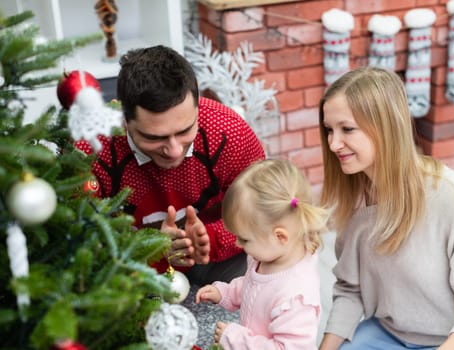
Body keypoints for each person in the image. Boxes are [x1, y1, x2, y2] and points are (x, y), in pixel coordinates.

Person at [318, 66, 454, 350]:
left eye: (347, 129)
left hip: (450, 342)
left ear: (386, 126)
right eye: (329, 130)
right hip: (383, 335)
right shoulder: (355, 200)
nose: (333, 143)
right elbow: (349, 290)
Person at [76, 45, 265, 285]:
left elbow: (263, 210)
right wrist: (147, 249)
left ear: (198, 105)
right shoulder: (91, 149)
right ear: (124, 120)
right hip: (129, 272)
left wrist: (210, 240)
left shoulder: (228, 131)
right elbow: (77, 239)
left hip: (218, 261)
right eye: (154, 137)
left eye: (186, 131)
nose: (174, 150)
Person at [195, 159, 329, 349]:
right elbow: (253, 285)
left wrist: (236, 338)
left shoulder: (295, 297)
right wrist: (225, 293)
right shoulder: (267, 257)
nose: (237, 244)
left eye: (245, 239)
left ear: (280, 236)